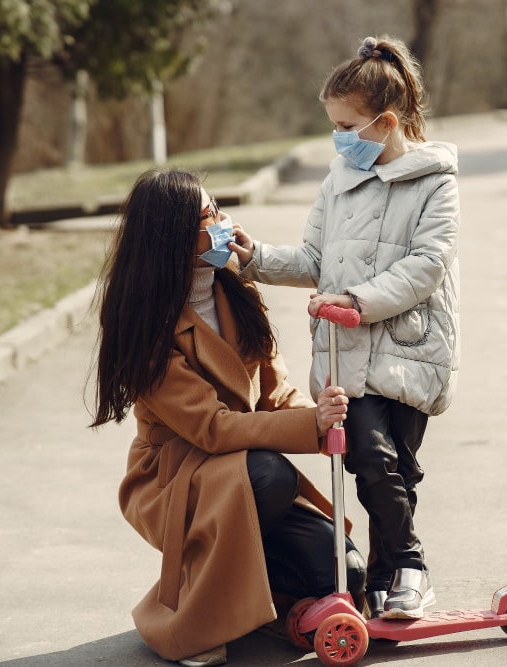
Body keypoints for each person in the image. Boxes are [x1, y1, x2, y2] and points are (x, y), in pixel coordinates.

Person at [89, 168, 365, 667]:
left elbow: (276, 395)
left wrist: (325, 421)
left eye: (218, 207)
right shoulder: (148, 325)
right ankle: (195, 616)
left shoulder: (239, 294)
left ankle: (268, 608)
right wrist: (310, 429)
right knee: (271, 475)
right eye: (209, 215)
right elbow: (212, 428)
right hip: (178, 475)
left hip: (244, 469)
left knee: (347, 573)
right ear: (173, 235)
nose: (224, 222)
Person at [231, 35, 460, 621]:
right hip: (345, 351)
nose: (338, 138)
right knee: (369, 456)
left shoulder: (436, 182)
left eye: (346, 126)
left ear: (385, 123)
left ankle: (387, 577)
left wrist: (359, 300)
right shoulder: (338, 181)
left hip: (409, 349)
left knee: (397, 471)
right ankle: (412, 566)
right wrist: (255, 256)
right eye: (332, 125)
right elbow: (313, 258)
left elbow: (426, 265)